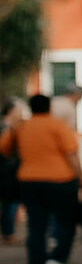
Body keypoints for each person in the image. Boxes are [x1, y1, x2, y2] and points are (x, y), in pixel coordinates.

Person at [0, 93, 82, 264]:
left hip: (30, 182)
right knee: (66, 223)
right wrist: (80, 177)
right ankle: (56, 260)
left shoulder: (22, 127)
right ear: (48, 107)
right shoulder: (57, 126)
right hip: (60, 181)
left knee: (36, 228)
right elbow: (71, 154)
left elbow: (4, 149)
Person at [0, 96, 24, 246]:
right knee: (10, 200)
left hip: (8, 168)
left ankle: (8, 232)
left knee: (9, 201)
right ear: (12, 111)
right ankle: (8, 233)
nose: (21, 113)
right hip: (6, 169)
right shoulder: (6, 127)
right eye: (19, 110)